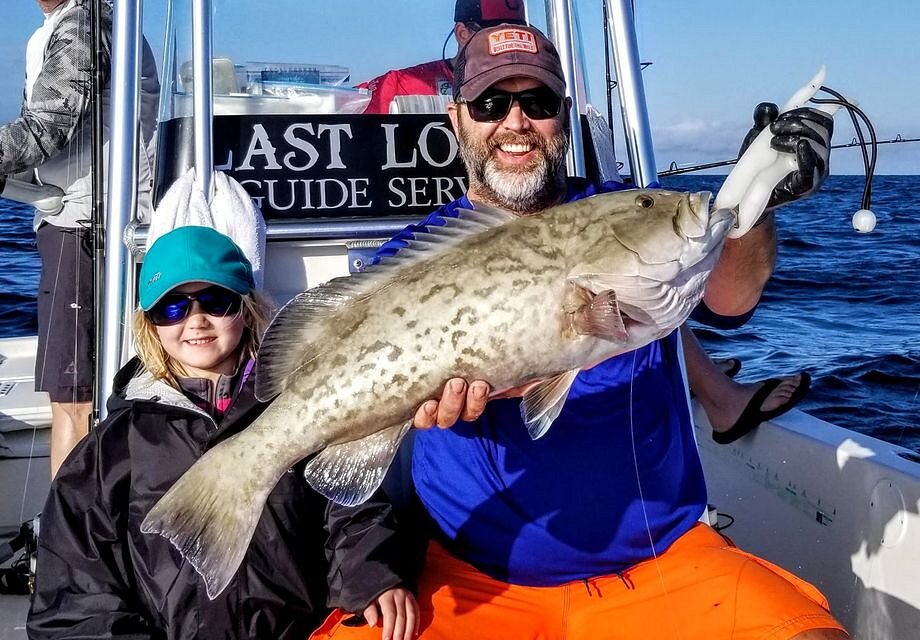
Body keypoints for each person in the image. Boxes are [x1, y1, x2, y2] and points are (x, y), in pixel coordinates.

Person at [312, 23, 845, 640]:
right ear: (456, 117)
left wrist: (758, 206)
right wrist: (404, 408)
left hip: (660, 563)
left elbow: (731, 298)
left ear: (562, 114)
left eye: (537, 103)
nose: (516, 122)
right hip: (470, 579)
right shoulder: (414, 259)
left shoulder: (627, 211)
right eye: (491, 103)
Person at [26, 226, 413, 639]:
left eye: (215, 300)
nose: (196, 320)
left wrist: (371, 576)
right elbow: (76, 595)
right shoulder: (112, 447)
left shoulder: (302, 410)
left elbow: (350, 509)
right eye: (171, 308)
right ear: (149, 323)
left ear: (246, 308)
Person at [0, 0, 159, 477]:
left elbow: (46, 128)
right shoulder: (72, 23)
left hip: (88, 227)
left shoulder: (86, 24)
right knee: (72, 395)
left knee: (74, 398)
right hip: (78, 220)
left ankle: (69, 541)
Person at [357, 0, 526, 114]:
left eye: (518, 35)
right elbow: (340, 105)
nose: (508, 45)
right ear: (462, 34)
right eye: (495, 36)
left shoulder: (534, 87)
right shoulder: (400, 86)